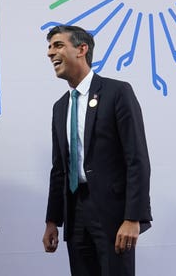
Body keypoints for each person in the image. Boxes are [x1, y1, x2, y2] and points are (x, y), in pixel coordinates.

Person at [42, 25, 152, 276]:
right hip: (75, 212)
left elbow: (137, 159)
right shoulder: (60, 107)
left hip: (113, 214)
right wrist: (52, 221)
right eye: (49, 47)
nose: (50, 53)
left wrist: (133, 217)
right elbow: (59, 168)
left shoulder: (116, 92)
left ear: (82, 49)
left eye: (58, 45)